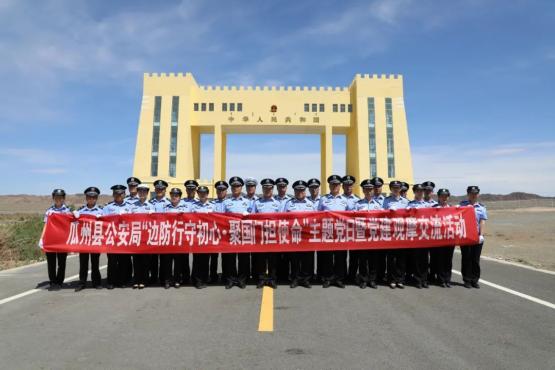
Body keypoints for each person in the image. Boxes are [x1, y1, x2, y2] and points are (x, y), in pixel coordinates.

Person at [318, 174, 351, 288]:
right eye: (333, 184)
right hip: (327, 231)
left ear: (340, 186)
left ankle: (339, 278)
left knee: (340, 257)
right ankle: (327, 278)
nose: (335, 186)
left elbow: (351, 216)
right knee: (327, 257)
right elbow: (318, 215)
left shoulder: (345, 200)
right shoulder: (323, 199)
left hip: (341, 232)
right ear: (329, 185)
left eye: (337, 184)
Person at [284, 180, 316, 288]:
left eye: (302, 190)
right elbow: (282, 218)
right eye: (297, 190)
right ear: (294, 191)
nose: (300, 192)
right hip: (293, 236)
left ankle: (305, 279)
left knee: (307, 259)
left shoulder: (310, 204)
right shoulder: (289, 203)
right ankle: (295, 278)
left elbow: (316, 219)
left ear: (305, 191)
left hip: (307, 236)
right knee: (294, 259)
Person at [251, 178, 281, 289]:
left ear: (272, 189)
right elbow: (252, 218)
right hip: (260, 236)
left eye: (269, 188)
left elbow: (282, 220)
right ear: (262, 189)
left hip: (273, 236)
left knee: (273, 259)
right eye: (265, 188)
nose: (267, 190)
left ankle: (272, 279)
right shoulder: (257, 202)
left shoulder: (277, 203)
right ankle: (262, 279)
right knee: (261, 259)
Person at [222, 176, 251, 289]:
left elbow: (253, 218)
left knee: (243, 258)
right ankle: (231, 279)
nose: (235, 188)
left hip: (244, 233)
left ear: (241, 187)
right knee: (230, 258)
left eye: (238, 186)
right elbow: (221, 217)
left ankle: (242, 279)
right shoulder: (226, 202)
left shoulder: (248, 202)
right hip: (230, 233)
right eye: (233, 186)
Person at [353, 179, 382, 289]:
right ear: (363, 191)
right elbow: (352, 219)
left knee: (374, 260)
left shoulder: (379, 205)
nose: (369, 191)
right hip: (362, 236)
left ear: (373, 191)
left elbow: (384, 220)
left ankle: (372, 280)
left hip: (374, 236)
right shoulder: (358, 204)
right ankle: (363, 279)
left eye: (370, 189)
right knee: (363, 260)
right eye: (366, 189)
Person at [163, 188, 193, 289]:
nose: (174, 197)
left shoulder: (185, 208)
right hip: (168, 238)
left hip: (180, 238)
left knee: (178, 261)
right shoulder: (165, 207)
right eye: (172, 195)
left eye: (176, 195)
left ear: (180, 197)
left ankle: (177, 279)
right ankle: (167, 280)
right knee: (167, 261)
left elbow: (190, 220)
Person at [74, 187, 103, 291]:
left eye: (94, 197)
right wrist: (74, 217)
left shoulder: (101, 211)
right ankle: (82, 283)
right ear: (86, 198)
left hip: (95, 240)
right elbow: (74, 225)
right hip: (84, 241)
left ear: (96, 198)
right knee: (83, 263)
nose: (91, 199)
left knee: (95, 263)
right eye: (89, 197)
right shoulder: (80, 211)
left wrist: (103, 218)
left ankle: (97, 282)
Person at [103, 184, 131, 289]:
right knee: (112, 262)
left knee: (123, 261)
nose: (118, 195)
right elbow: (102, 222)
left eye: (120, 193)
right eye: (116, 193)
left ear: (124, 194)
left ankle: (122, 281)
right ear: (113, 194)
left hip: (124, 238)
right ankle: (111, 281)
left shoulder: (129, 207)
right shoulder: (108, 207)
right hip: (112, 238)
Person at [43, 189, 71, 290]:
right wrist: (42, 239)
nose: (58, 199)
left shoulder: (67, 211)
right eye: (56, 197)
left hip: (62, 240)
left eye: (60, 197)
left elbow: (71, 226)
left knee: (62, 262)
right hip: (51, 240)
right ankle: (52, 281)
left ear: (63, 199)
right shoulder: (49, 211)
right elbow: (45, 226)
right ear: (53, 198)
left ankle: (59, 281)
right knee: (51, 262)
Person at [460, 186, 488, 289]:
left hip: (477, 236)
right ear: (468, 194)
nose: (473, 195)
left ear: (478, 194)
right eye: (471, 193)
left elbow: (482, 221)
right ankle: (467, 280)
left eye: (475, 193)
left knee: (475, 259)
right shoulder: (462, 206)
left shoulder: (481, 207)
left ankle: (474, 280)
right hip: (465, 236)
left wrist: (481, 235)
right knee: (466, 258)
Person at [383, 180, 409, 289]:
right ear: (390, 189)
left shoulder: (406, 201)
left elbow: (410, 215)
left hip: (402, 233)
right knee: (391, 258)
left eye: (398, 187)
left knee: (401, 258)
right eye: (394, 187)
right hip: (390, 232)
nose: (396, 189)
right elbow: (381, 213)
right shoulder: (386, 201)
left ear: (400, 189)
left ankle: (400, 279)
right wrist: (388, 211)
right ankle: (391, 279)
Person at [129, 184, 155, 289]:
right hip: (136, 236)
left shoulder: (151, 206)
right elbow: (128, 219)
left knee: (145, 261)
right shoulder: (133, 206)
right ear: (138, 192)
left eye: (144, 192)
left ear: (147, 193)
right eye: (140, 191)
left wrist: (153, 215)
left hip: (147, 237)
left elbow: (157, 222)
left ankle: (144, 280)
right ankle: (136, 280)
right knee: (136, 260)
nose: (142, 193)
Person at [191, 186, 216, 289]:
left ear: (207, 194)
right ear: (197, 193)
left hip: (208, 236)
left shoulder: (212, 206)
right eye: (200, 192)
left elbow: (217, 219)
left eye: (204, 193)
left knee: (206, 260)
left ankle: (205, 279)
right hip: (197, 236)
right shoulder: (193, 206)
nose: (202, 194)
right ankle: (197, 280)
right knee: (197, 260)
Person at [407, 184, 430, 289]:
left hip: (425, 235)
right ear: (414, 192)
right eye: (418, 191)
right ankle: (417, 280)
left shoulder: (427, 205)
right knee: (416, 259)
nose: (420, 193)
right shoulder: (409, 204)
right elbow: (405, 218)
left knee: (425, 259)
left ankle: (424, 279)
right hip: (415, 235)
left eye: (422, 191)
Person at [148, 179, 170, 285]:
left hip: (165, 233)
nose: (159, 190)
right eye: (157, 189)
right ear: (155, 190)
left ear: (165, 190)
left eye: (161, 189)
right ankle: (153, 278)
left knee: (165, 259)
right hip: (153, 234)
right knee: (153, 259)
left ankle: (164, 279)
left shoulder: (169, 203)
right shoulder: (150, 203)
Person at [433, 189, 455, 288]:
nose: (444, 198)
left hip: (450, 238)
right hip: (438, 238)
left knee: (448, 260)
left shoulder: (452, 208)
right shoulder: (433, 208)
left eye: (446, 196)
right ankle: (441, 279)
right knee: (440, 260)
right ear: (438, 197)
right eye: (442, 196)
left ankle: (448, 279)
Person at [210, 180, 229, 284]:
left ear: (226, 191)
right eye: (219, 190)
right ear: (216, 191)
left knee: (227, 257)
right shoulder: (211, 203)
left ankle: (226, 277)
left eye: (223, 190)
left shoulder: (231, 202)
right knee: (213, 257)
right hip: (215, 234)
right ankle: (213, 276)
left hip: (227, 234)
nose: (221, 191)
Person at [342, 175, 361, 284]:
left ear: (353, 186)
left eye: (350, 185)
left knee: (354, 256)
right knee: (342, 256)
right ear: (343, 186)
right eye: (346, 185)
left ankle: (352, 276)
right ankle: (343, 276)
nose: (348, 187)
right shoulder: (338, 198)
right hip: (342, 231)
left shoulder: (358, 199)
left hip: (354, 232)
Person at [275, 177, 292, 283]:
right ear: (277, 188)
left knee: (287, 256)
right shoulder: (272, 199)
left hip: (287, 232)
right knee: (276, 256)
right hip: (274, 231)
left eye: (283, 187)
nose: (282, 188)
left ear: (286, 188)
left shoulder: (290, 200)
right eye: (280, 186)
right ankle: (277, 275)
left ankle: (285, 276)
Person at [370, 177, 387, 283]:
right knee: (372, 257)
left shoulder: (386, 200)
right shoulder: (366, 200)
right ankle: (372, 276)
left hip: (383, 232)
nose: (377, 189)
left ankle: (381, 275)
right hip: (370, 233)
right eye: (375, 187)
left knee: (382, 256)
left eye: (379, 186)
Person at [307, 178, 322, 280]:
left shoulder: (324, 200)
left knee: (322, 255)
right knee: (308, 255)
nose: (314, 189)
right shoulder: (305, 200)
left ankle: (321, 275)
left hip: (321, 231)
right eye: (311, 187)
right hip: (307, 232)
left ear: (319, 188)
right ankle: (310, 275)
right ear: (308, 189)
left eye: (316, 187)